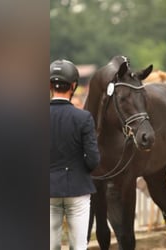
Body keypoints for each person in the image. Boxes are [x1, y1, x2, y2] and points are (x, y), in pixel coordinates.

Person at [50, 59, 100, 250]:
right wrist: (81, 169)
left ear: (49, 85)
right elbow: (93, 159)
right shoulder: (83, 117)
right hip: (78, 188)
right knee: (79, 245)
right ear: (73, 86)